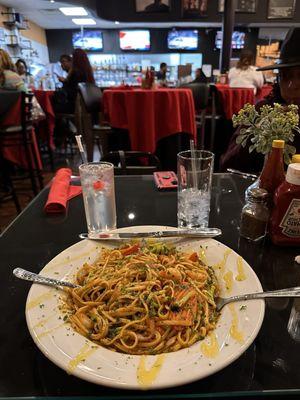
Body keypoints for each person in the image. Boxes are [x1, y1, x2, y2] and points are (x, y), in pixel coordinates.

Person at [220, 28, 300, 173]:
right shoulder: (262, 112)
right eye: (286, 76)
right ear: (278, 79)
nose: (292, 85)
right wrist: (261, 130)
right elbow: (228, 166)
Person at [52, 48, 95, 114]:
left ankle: (63, 124)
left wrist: (65, 82)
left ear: (75, 60)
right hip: (87, 106)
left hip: (76, 106)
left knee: (51, 107)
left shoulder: (75, 72)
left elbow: (70, 93)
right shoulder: (88, 72)